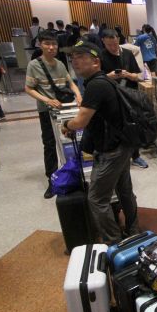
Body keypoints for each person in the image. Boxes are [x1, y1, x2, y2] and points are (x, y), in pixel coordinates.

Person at [61, 41, 138, 245]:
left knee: (96, 199)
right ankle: (132, 229)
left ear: (95, 61)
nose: (74, 60)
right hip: (122, 145)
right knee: (124, 191)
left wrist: (66, 123)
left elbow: (80, 121)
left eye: (80, 56)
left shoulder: (96, 85)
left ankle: (114, 242)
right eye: (72, 57)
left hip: (111, 151)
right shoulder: (105, 80)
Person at [24, 30, 83, 198]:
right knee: (49, 144)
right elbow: (28, 88)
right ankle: (52, 180)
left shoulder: (60, 64)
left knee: (71, 139)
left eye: (54, 44)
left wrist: (78, 95)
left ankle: (73, 174)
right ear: (40, 45)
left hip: (64, 108)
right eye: (47, 44)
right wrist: (46, 100)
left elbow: (70, 83)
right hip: (47, 111)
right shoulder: (34, 65)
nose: (51, 47)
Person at [98, 29, 148, 169]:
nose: (113, 47)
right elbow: (97, 79)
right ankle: (118, 158)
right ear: (104, 42)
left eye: (115, 43)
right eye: (109, 45)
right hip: (112, 96)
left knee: (133, 124)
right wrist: (110, 76)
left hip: (130, 95)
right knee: (114, 128)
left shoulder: (127, 54)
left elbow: (138, 76)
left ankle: (136, 156)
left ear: (118, 40)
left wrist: (127, 75)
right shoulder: (100, 57)